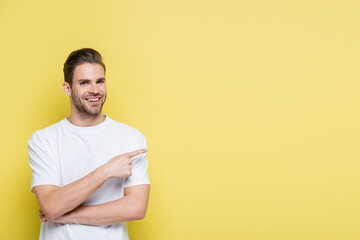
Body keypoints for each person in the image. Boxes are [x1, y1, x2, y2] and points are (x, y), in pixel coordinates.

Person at [28, 48, 150, 240]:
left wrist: (67, 215)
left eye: (100, 81)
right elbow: (51, 206)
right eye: (84, 82)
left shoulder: (131, 138)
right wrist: (106, 171)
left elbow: (136, 208)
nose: (95, 90)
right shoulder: (43, 140)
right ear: (67, 88)